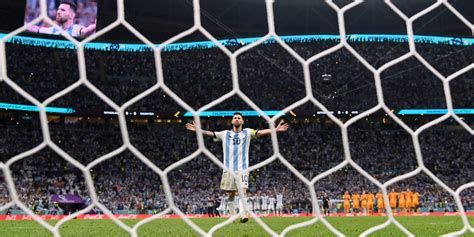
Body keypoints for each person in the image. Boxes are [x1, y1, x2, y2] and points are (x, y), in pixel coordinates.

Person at [186, 112, 289, 223]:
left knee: (242, 191)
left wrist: (275, 130)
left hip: (243, 168)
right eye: (235, 118)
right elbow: (210, 133)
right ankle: (232, 215)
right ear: (232, 121)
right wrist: (198, 130)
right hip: (228, 169)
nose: (236, 119)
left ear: (242, 121)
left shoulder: (248, 132)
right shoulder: (224, 134)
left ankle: (244, 214)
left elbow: (261, 132)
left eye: (239, 118)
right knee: (231, 194)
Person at [28, 0, 96, 38]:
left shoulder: (75, 29)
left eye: (62, 10)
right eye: (58, 9)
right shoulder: (53, 30)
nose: (58, 12)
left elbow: (85, 31)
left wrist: (96, 24)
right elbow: (36, 29)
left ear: (72, 15)